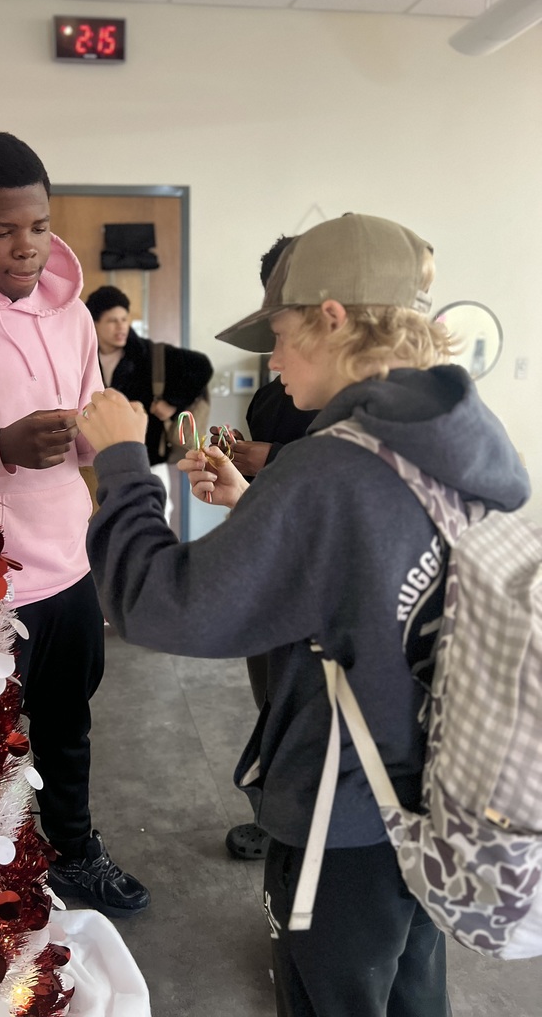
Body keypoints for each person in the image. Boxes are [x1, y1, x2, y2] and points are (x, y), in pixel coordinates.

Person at [76, 213, 530, 1015]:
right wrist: (261, 508)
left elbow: (163, 607)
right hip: (442, 790)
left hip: (344, 813)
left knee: (332, 996)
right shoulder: (453, 438)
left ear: (331, 318)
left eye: (279, 334)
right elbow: (373, 572)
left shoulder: (329, 467)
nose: (271, 361)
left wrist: (122, 460)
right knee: (411, 988)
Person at [0, 131, 149, 917]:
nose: (26, 247)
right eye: (2, 230)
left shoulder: (73, 311)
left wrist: (105, 431)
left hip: (70, 563)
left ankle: (73, 852)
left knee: (68, 729)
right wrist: (0, 446)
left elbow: (90, 408)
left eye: (38, 225)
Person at [216, 236, 319, 863]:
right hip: (271, 560)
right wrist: (240, 473)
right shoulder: (284, 380)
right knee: (274, 700)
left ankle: (297, 828)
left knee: (303, 707)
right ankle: (280, 818)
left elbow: (331, 467)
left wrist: (268, 459)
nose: (275, 357)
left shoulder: (360, 413)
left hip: (302, 577)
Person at [84, 285, 212, 519]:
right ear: (94, 323)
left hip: (148, 457)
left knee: (154, 517)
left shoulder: (150, 354)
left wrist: (172, 402)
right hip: (95, 461)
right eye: (112, 320)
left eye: (124, 319)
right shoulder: (83, 356)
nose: (121, 326)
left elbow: (201, 366)